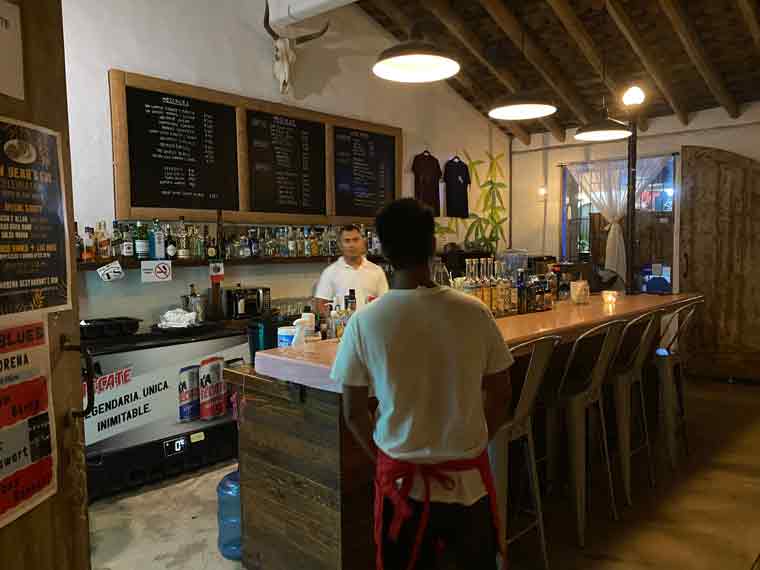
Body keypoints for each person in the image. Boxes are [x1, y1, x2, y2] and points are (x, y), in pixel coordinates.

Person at [330, 199, 514, 570]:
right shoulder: (474, 312)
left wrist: (386, 458)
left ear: (382, 251)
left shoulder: (365, 322)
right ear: (432, 246)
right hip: (468, 486)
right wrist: (470, 445)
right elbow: (501, 393)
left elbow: (353, 412)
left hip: (401, 490)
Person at [314, 224, 388, 317]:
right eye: (347, 241)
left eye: (356, 240)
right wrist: (334, 321)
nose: (352, 245)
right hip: (342, 325)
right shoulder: (330, 272)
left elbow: (385, 303)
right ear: (340, 245)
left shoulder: (377, 271)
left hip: (370, 324)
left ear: (363, 242)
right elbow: (321, 304)